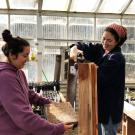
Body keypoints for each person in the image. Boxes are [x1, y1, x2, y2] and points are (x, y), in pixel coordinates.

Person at [0, 29, 73, 135]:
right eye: (25, 55)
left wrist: (48, 102)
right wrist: (55, 128)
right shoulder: (5, 78)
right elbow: (23, 117)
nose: (28, 59)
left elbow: (28, 93)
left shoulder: (19, 73)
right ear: (12, 55)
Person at [70, 23, 127, 135]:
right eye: (103, 38)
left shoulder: (116, 58)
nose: (105, 43)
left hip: (110, 107)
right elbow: (84, 46)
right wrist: (74, 48)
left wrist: (85, 64)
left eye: (109, 40)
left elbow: (100, 78)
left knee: (108, 132)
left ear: (117, 42)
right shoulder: (101, 50)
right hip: (99, 106)